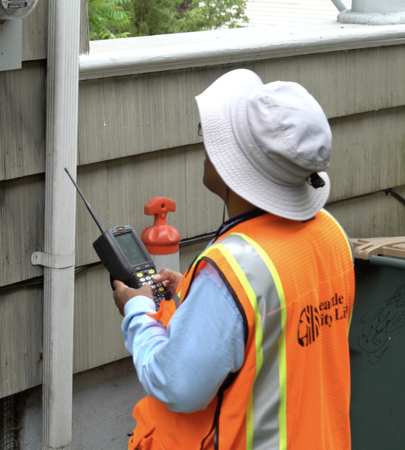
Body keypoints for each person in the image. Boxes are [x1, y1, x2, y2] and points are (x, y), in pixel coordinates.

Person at [112, 69, 355, 449]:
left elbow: (175, 384)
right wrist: (201, 298)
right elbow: (278, 330)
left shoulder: (234, 270)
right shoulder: (330, 233)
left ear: (232, 167)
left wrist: (138, 311)